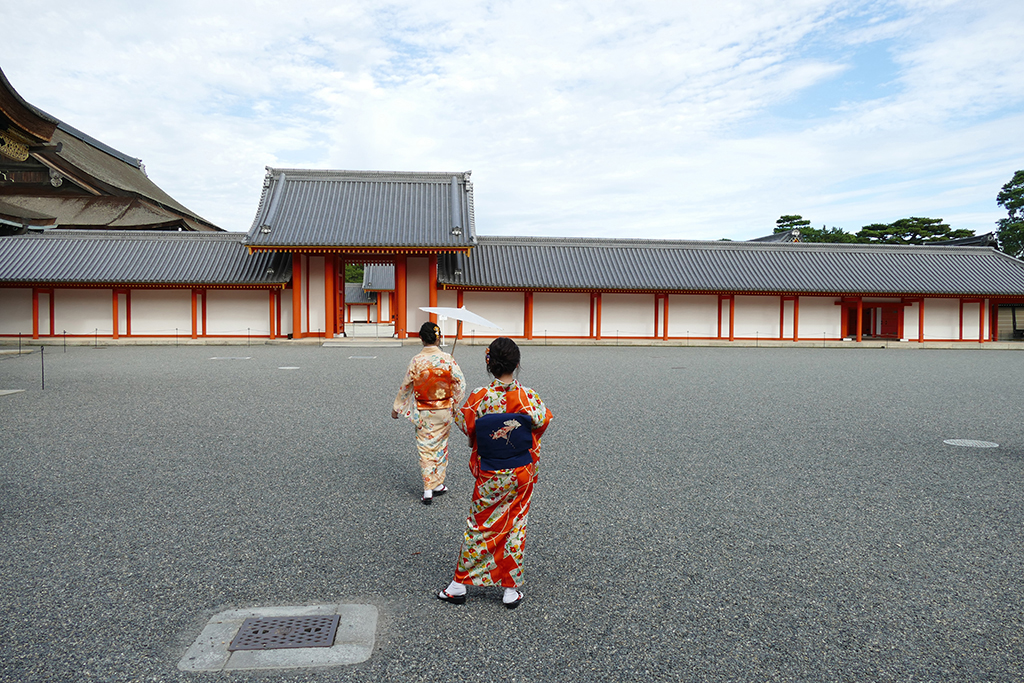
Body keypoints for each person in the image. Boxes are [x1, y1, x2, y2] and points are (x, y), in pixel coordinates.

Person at [437, 337, 553, 609]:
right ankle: (510, 590)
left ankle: (458, 585)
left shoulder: (480, 396)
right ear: (517, 363)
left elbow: (466, 425)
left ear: (489, 364)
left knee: (480, 525)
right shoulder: (527, 396)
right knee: (515, 523)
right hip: (521, 469)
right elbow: (543, 420)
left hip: (491, 471)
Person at [392, 321, 466, 505]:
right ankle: (438, 484)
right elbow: (461, 384)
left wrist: (397, 407)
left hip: (424, 411)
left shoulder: (417, 360)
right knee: (441, 445)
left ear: (421, 338)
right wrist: (452, 402)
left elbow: (406, 386)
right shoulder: (447, 359)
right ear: (438, 338)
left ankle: (428, 489)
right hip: (444, 410)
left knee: (425, 448)